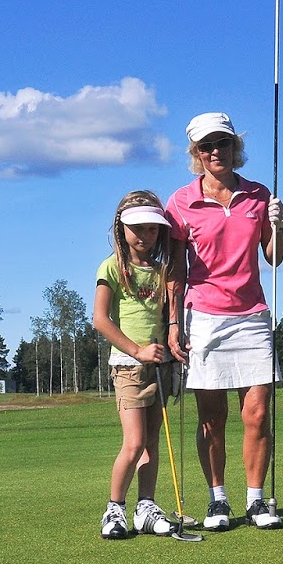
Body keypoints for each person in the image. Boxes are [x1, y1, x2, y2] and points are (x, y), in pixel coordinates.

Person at [165, 112, 283, 531]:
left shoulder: (258, 195)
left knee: (257, 413)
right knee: (211, 417)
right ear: (196, 154)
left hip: (251, 315)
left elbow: (274, 258)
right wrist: (173, 323)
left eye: (222, 143)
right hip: (204, 316)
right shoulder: (180, 202)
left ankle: (256, 500)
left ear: (236, 147)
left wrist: (279, 226)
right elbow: (175, 270)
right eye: (206, 146)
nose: (215, 151)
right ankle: (218, 499)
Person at [92, 190, 178, 540]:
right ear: (121, 228)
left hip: (159, 365)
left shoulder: (161, 270)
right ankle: (114, 509)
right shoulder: (112, 267)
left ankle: (146, 507)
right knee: (135, 442)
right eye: (137, 228)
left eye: (152, 229)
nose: (145, 235)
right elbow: (100, 319)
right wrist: (137, 350)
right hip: (128, 366)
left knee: (152, 442)